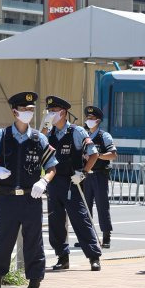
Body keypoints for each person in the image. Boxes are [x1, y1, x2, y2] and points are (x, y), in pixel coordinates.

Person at [0, 92, 58, 288]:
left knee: (34, 243)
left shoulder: (39, 138)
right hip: (8, 198)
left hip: (31, 198)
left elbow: (51, 167)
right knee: (3, 241)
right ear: (14, 112)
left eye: (31, 110)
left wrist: (44, 181)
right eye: (24, 110)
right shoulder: (1, 136)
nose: (28, 113)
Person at [43, 95, 103, 271]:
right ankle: (62, 257)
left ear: (63, 112)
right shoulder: (49, 133)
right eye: (49, 111)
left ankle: (93, 256)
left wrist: (83, 173)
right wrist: (44, 129)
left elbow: (94, 154)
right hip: (54, 182)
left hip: (72, 182)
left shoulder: (76, 132)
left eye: (53, 111)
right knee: (56, 221)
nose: (50, 114)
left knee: (80, 219)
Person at [80, 106, 117, 249]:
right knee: (85, 207)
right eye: (87, 118)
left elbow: (113, 154)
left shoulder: (104, 136)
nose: (89, 121)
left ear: (98, 120)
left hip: (100, 174)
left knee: (102, 206)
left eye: (92, 118)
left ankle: (106, 236)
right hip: (86, 175)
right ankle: (87, 236)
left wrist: (97, 156)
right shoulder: (85, 136)